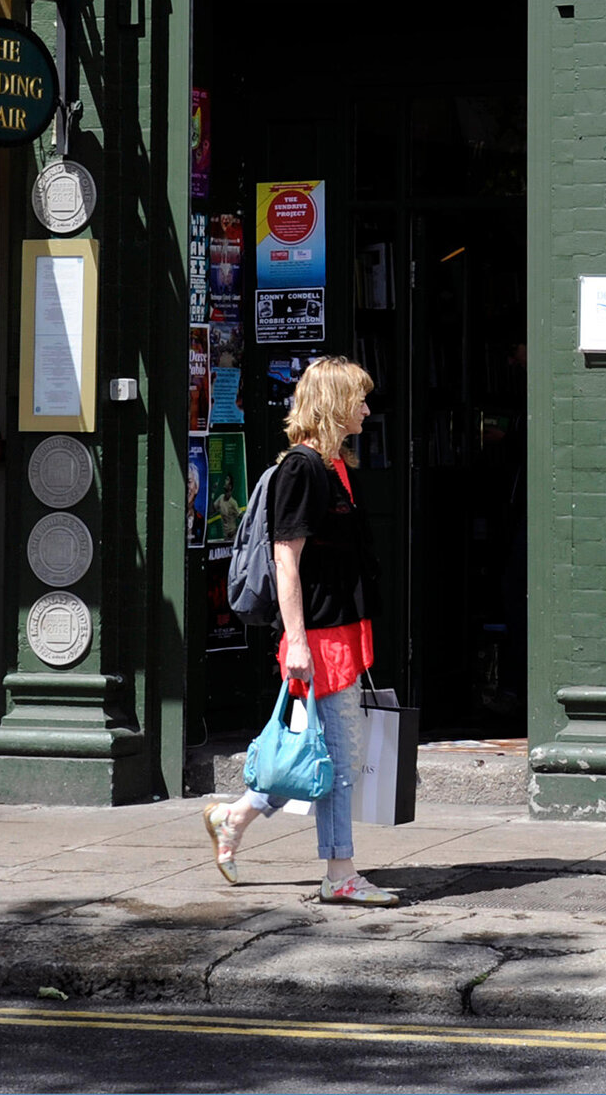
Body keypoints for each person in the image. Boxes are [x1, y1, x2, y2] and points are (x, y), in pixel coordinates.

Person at [203, 357, 396, 906]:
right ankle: (340, 875)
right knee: (335, 762)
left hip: (344, 632)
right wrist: (299, 645)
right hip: (319, 639)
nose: (366, 408)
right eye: (358, 399)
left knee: (320, 754)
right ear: (334, 404)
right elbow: (285, 562)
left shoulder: (335, 467)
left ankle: (231, 816)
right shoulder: (302, 470)